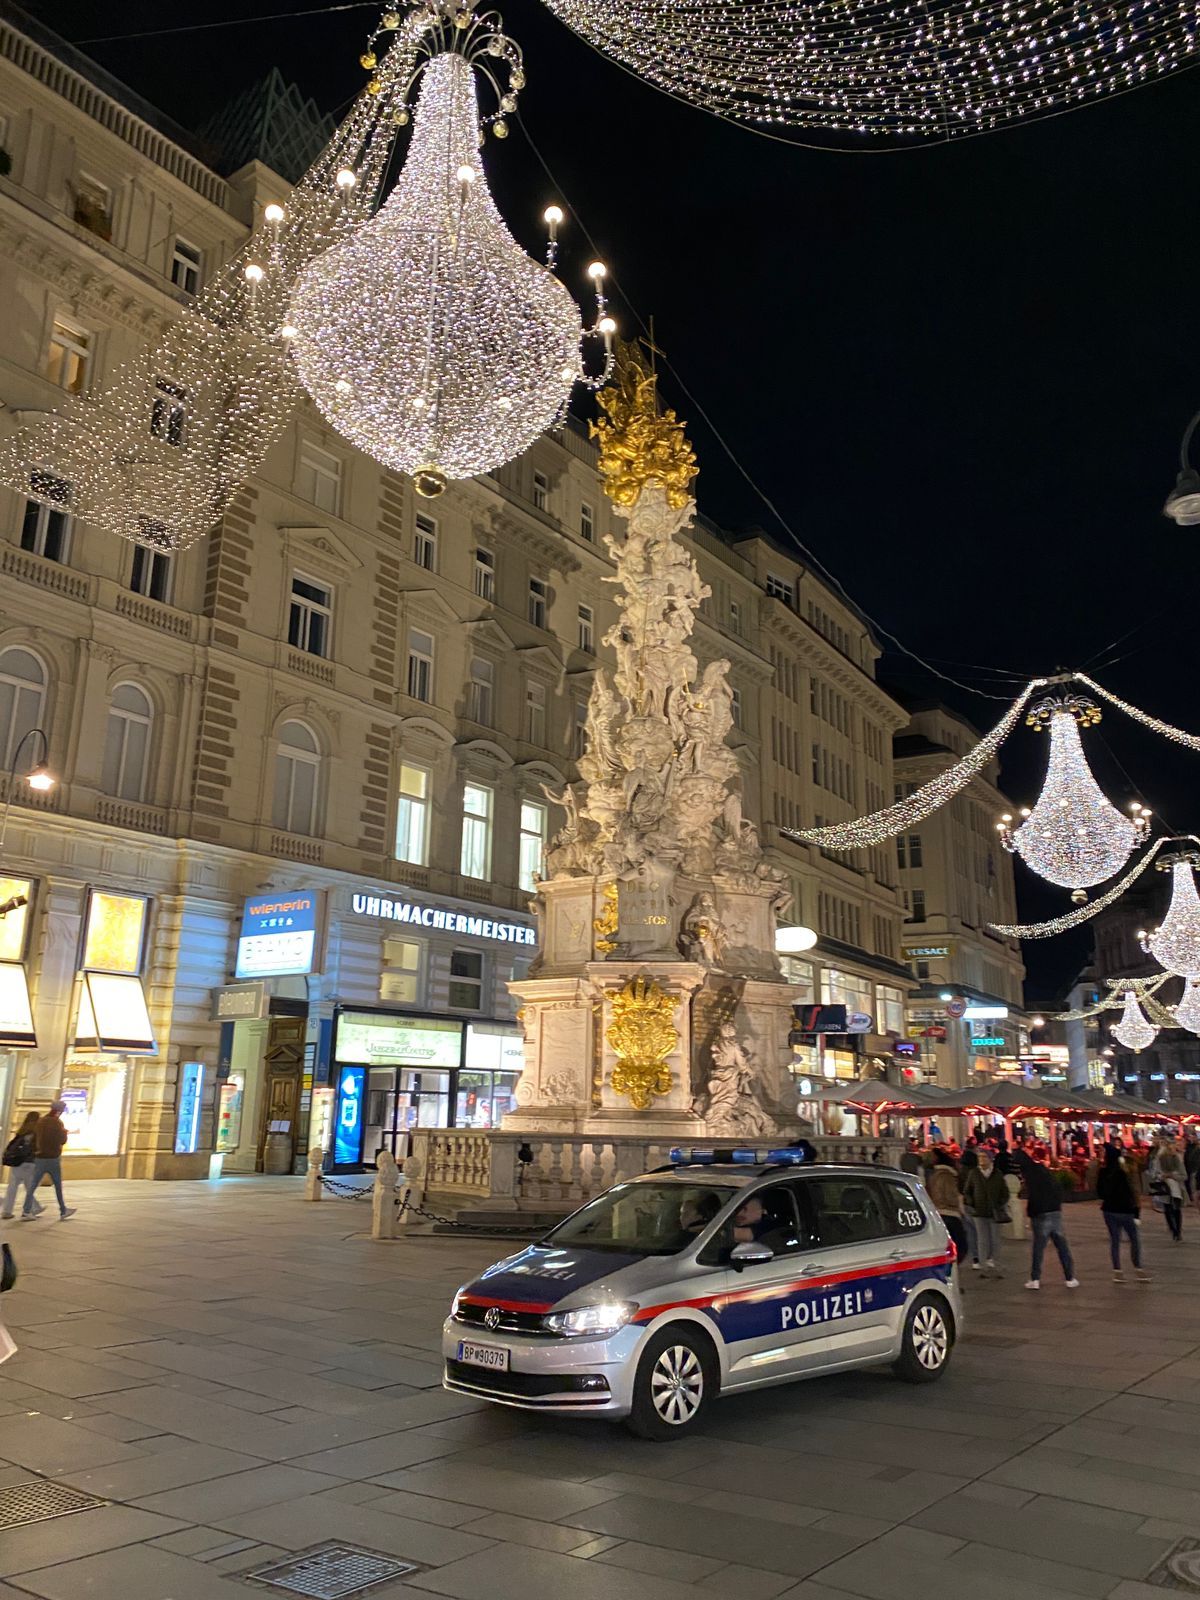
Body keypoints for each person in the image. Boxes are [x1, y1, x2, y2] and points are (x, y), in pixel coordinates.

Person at [1015, 1151, 1078, 1290]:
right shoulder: (1042, 1169)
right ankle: (1070, 1278)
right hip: (1054, 1211)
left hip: (1041, 1214)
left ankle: (1035, 1278)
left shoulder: (1030, 1175)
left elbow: (1034, 1196)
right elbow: (1056, 1187)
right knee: (1062, 1246)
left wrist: (1031, 1212)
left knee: (1038, 1248)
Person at [1096, 1143, 1150, 1283]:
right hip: (1126, 1209)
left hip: (1109, 1210)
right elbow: (1134, 1190)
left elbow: (1099, 1192)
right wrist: (1137, 1211)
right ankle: (1138, 1268)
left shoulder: (1103, 1170)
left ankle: (1117, 1271)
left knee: (1115, 1240)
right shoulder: (1125, 1170)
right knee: (1134, 1239)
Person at [21, 1100, 75, 1221]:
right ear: (59, 1111)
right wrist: (65, 1133)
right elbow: (62, 1140)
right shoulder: (57, 1123)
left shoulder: (41, 1121)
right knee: (57, 1186)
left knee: (33, 1185)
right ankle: (63, 1210)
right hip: (52, 1158)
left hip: (39, 1157)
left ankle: (26, 1211)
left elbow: (34, 1139)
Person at [962, 1148, 1008, 1276]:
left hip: (994, 1212)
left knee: (995, 1239)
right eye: (980, 1157)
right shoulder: (974, 1173)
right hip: (979, 1212)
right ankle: (984, 1268)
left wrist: (1000, 1204)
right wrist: (971, 1203)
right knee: (982, 1239)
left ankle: (996, 1264)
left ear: (990, 1159)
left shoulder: (997, 1174)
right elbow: (967, 1191)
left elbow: (1004, 1192)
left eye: (984, 1157)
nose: (981, 1160)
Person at [927, 1148, 968, 1264]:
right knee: (961, 1245)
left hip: (938, 1212)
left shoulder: (933, 1176)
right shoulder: (949, 1176)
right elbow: (951, 1195)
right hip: (950, 1212)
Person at [2, 1111, 44, 1220]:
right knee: (30, 1187)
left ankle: (7, 1210)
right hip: (28, 1163)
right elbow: (36, 1149)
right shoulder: (35, 1132)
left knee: (13, 1186)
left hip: (17, 1162)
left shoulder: (22, 1130)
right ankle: (31, 1209)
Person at [1150, 1138, 1186, 1243]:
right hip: (1165, 1188)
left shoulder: (1177, 1158)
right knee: (1169, 1209)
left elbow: (1184, 1175)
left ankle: (1177, 1231)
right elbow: (1154, 1174)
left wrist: (1172, 1175)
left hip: (1175, 1189)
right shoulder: (1159, 1159)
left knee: (1175, 1209)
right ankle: (1174, 1230)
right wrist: (1162, 1176)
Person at [958, 1146, 981, 1270]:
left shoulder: (961, 1173)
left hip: (966, 1204)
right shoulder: (976, 1172)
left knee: (971, 1232)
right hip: (977, 1204)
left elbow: (960, 1188)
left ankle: (975, 1258)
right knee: (980, 1231)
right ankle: (984, 1256)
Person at [1185, 1130, 1200, 1207]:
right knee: (1192, 1185)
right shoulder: (1189, 1147)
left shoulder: (1196, 1148)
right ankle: (1194, 1200)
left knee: (1194, 1185)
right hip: (1191, 1169)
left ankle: (1194, 1201)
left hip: (1195, 1169)